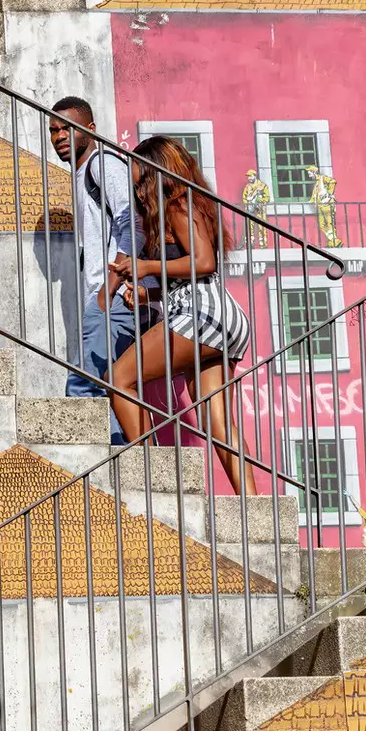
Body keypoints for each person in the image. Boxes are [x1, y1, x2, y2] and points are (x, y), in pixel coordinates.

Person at [103, 136, 264, 493]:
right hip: (217, 316)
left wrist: (144, 264)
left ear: (152, 170)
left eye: (134, 165)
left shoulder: (179, 203)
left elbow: (203, 263)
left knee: (119, 379)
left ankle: (155, 484)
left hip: (200, 314)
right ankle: (254, 510)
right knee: (216, 421)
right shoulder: (180, 209)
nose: (129, 174)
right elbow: (191, 276)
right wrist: (148, 294)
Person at [48, 96, 138, 441]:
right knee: (109, 392)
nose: (59, 136)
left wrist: (112, 287)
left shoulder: (103, 165)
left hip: (113, 299)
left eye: (67, 129)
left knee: (84, 389)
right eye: (54, 130)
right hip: (106, 299)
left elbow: (133, 224)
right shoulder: (86, 172)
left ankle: (99, 471)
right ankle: (120, 468)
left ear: (90, 129)